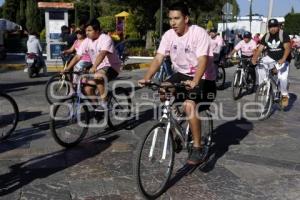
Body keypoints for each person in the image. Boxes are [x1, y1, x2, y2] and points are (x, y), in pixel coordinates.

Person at [138, 2, 217, 165]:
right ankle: (174, 130)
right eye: (170, 19)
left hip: (203, 77)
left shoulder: (198, 33)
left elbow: (203, 59)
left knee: (189, 106)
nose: (173, 22)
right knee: (163, 89)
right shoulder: (168, 35)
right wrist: (147, 77)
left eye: (177, 18)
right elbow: (159, 58)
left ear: (186, 18)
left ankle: (197, 147)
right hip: (181, 74)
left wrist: (195, 80)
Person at [66, 19, 121, 110]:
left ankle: (104, 102)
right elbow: (77, 56)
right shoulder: (87, 41)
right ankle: (98, 109)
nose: (86, 33)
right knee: (87, 89)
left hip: (112, 67)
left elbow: (102, 53)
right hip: (97, 68)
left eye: (89, 30)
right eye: (86, 31)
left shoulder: (105, 39)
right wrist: (67, 69)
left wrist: (94, 66)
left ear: (97, 31)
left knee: (98, 76)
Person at [252, 18, 291, 108]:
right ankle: (264, 85)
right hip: (271, 57)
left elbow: (288, 48)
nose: (273, 28)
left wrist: (283, 59)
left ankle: (284, 95)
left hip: (283, 58)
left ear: (278, 26)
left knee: (282, 78)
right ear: (268, 28)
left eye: (275, 26)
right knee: (260, 65)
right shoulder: (266, 36)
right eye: (270, 27)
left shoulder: (283, 34)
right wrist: (254, 58)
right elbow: (260, 49)